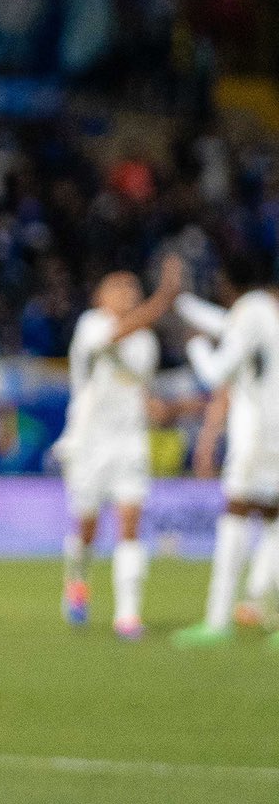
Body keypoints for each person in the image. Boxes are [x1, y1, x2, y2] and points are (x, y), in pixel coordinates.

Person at [55, 260, 182, 637]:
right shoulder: (91, 325)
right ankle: (77, 578)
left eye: (133, 287)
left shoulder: (146, 341)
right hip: (89, 442)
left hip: (129, 441)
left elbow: (138, 386)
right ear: (100, 296)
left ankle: (127, 615)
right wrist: (162, 300)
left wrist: (160, 407)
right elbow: (115, 337)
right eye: (118, 286)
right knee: (88, 527)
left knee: (130, 524)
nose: (128, 293)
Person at [174, 253, 279, 646]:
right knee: (273, 519)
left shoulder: (251, 311)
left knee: (234, 513)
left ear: (228, 286)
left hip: (259, 435)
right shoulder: (265, 312)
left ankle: (218, 621)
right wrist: (182, 303)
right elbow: (225, 323)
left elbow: (215, 372)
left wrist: (196, 347)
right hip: (275, 432)